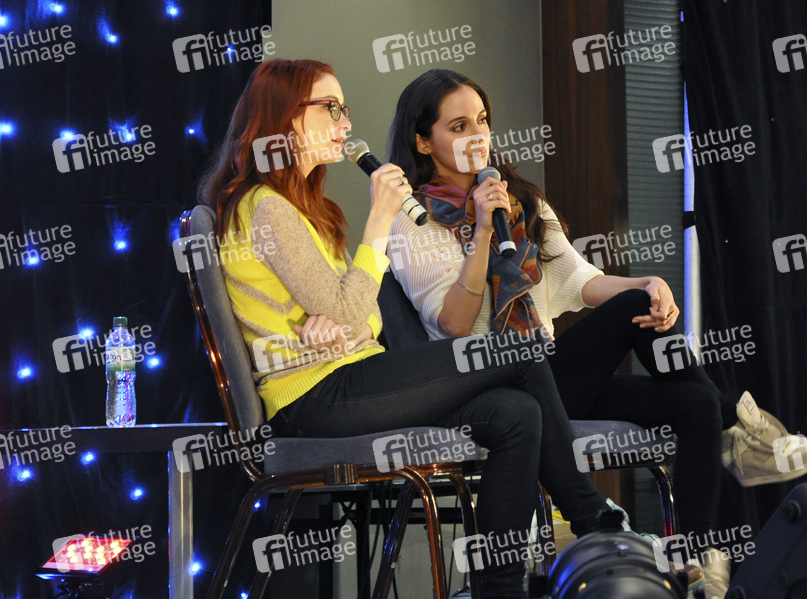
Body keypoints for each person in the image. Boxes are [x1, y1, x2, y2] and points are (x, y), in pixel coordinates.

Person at [385, 68, 807, 598]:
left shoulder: (521, 200)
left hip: (550, 375)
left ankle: (696, 558)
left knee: (691, 400)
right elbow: (454, 324)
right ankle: (742, 433)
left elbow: (581, 281)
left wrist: (646, 282)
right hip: (489, 390)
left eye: (482, 121)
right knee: (646, 330)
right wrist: (482, 232)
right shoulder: (412, 220)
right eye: (458, 126)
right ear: (423, 141)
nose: (477, 136)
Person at [198, 58, 629, 599]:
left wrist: (343, 320)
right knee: (515, 351)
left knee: (514, 413)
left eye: (344, 110)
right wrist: (379, 222)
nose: (345, 123)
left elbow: (366, 315)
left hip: (350, 377)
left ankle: (499, 589)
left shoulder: (301, 208)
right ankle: (590, 514)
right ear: (284, 115)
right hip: (312, 397)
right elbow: (353, 307)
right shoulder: (267, 209)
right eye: (330, 108)